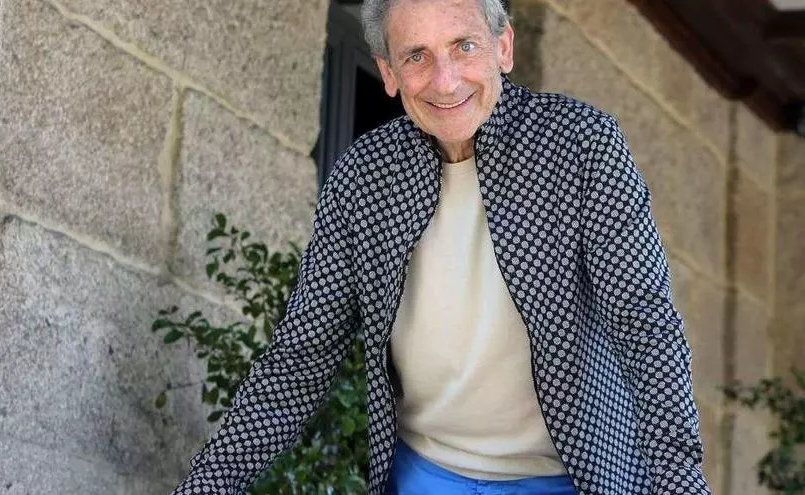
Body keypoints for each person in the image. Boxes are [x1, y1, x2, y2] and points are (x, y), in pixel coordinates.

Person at [171, 0, 712, 493]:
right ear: (388, 73)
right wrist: (205, 487)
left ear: (503, 47)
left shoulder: (582, 146)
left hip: (572, 477)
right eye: (416, 56)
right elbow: (301, 356)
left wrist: (679, 482)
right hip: (425, 474)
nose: (445, 80)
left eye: (464, 46)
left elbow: (645, 324)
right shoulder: (364, 177)